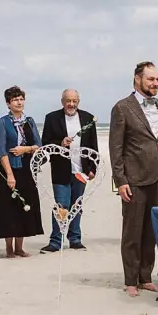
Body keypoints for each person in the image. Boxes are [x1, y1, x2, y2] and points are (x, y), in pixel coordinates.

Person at [109, 61, 158, 297]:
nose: (155, 84)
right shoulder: (122, 107)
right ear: (137, 79)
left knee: (152, 232)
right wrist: (121, 180)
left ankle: (146, 277)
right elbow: (116, 148)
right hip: (133, 179)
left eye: (157, 80)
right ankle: (130, 280)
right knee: (132, 231)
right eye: (150, 79)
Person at [39, 89, 98, 253]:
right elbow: (46, 144)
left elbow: (93, 146)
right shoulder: (51, 118)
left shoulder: (88, 118)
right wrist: (60, 143)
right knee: (61, 206)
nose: (71, 104)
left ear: (78, 101)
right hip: (60, 170)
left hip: (81, 171)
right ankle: (56, 241)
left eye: (74, 101)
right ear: (62, 101)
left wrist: (92, 168)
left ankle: (75, 239)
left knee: (77, 206)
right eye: (68, 101)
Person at [0, 86, 44, 257]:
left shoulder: (30, 121)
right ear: (8, 103)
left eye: (21, 99)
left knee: (25, 206)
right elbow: (1, 150)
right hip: (10, 169)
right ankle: (9, 248)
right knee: (9, 208)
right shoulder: (3, 122)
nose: (19, 102)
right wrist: (10, 175)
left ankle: (20, 247)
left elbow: (39, 145)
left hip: (27, 169)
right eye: (15, 99)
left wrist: (25, 149)